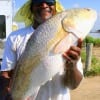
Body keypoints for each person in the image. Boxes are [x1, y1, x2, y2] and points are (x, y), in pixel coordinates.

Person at [0, 0, 83, 100]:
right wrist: (7, 94)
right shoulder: (15, 37)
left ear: (55, 8)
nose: (44, 5)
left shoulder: (68, 36)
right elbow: (6, 74)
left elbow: (73, 85)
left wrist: (72, 66)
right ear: (31, 8)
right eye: (38, 1)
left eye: (49, 1)